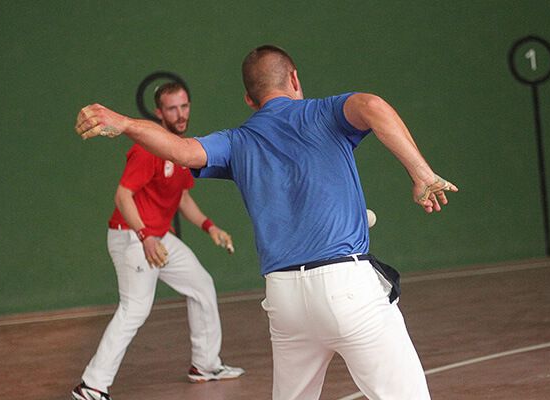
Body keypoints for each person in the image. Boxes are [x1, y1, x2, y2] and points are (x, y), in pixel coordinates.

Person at [75, 45, 458, 400]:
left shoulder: (238, 140)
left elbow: (183, 150)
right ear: (294, 79)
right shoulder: (323, 112)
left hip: (284, 299)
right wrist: (421, 172)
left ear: (249, 99)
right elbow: (372, 105)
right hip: (348, 289)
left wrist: (125, 123)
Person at [71, 82, 244, 400]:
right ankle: (92, 386)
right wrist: (145, 237)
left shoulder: (179, 148)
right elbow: (123, 197)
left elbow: (182, 199)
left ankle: (205, 365)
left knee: (202, 285)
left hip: (158, 237)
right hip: (132, 236)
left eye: (185, 106)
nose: (180, 114)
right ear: (159, 113)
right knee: (134, 309)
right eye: (172, 108)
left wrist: (210, 227)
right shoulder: (146, 148)